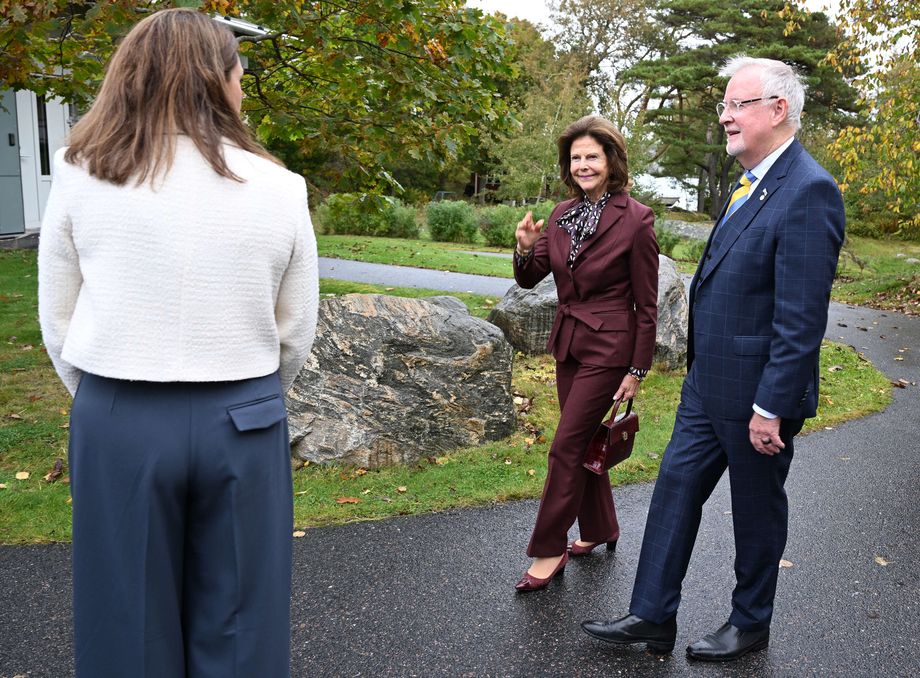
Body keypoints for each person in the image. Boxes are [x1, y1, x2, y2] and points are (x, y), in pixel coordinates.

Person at [37, 9, 319, 676]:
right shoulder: (279, 187)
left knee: (124, 624)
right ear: (216, 80)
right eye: (238, 70)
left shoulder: (79, 172)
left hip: (119, 415)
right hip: (243, 417)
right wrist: (247, 387)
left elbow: (58, 318)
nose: (244, 84)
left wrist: (107, 399)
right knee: (243, 622)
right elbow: (296, 328)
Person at [581, 57, 845, 660]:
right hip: (707, 385)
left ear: (778, 111)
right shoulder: (748, 182)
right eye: (723, 104)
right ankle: (651, 615)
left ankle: (750, 623)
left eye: (737, 104)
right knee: (674, 489)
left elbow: (800, 320)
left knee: (754, 513)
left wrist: (771, 407)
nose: (724, 115)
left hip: (757, 398)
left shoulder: (809, 191)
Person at [512, 115, 659, 592]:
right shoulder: (560, 215)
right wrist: (525, 248)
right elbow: (530, 277)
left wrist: (637, 368)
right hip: (570, 343)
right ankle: (599, 528)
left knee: (566, 447)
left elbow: (646, 303)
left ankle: (549, 548)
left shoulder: (636, 220)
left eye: (592, 156)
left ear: (611, 160)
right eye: (575, 158)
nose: (582, 165)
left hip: (611, 347)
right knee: (583, 440)